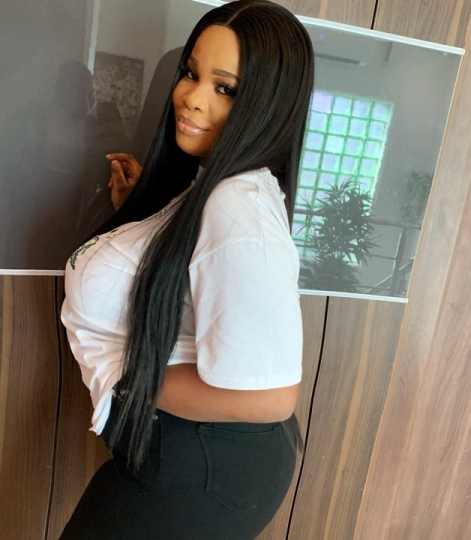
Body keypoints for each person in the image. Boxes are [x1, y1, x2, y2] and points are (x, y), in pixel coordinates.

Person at [60, 1, 314, 538]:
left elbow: (270, 398)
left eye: (225, 88)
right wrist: (140, 223)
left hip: (196, 461)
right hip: (189, 455)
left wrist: (136, 381)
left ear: (267, 104)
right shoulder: (213, 190)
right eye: (191, 74)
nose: (193, 98)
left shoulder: (237, 203)